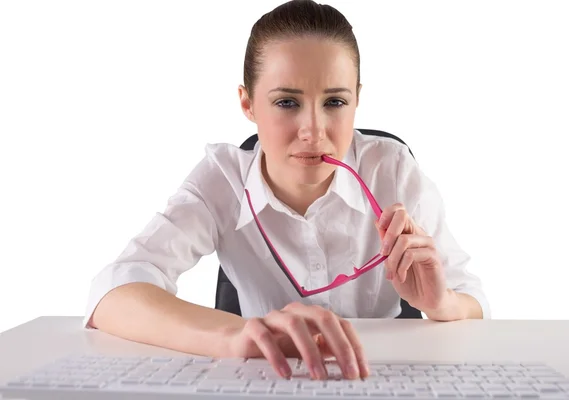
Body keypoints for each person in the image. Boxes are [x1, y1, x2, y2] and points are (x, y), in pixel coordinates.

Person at [84, 0, 490, 381]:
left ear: (357, 101)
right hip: (266, 377)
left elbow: (475, 303)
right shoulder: (223, 180)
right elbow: (113, 293)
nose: (313, 132)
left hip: (378, 378)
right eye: (286, 103)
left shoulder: (394, 171)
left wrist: (441, 304)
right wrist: (235, 336)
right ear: (248, 104)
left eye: (334, 102)